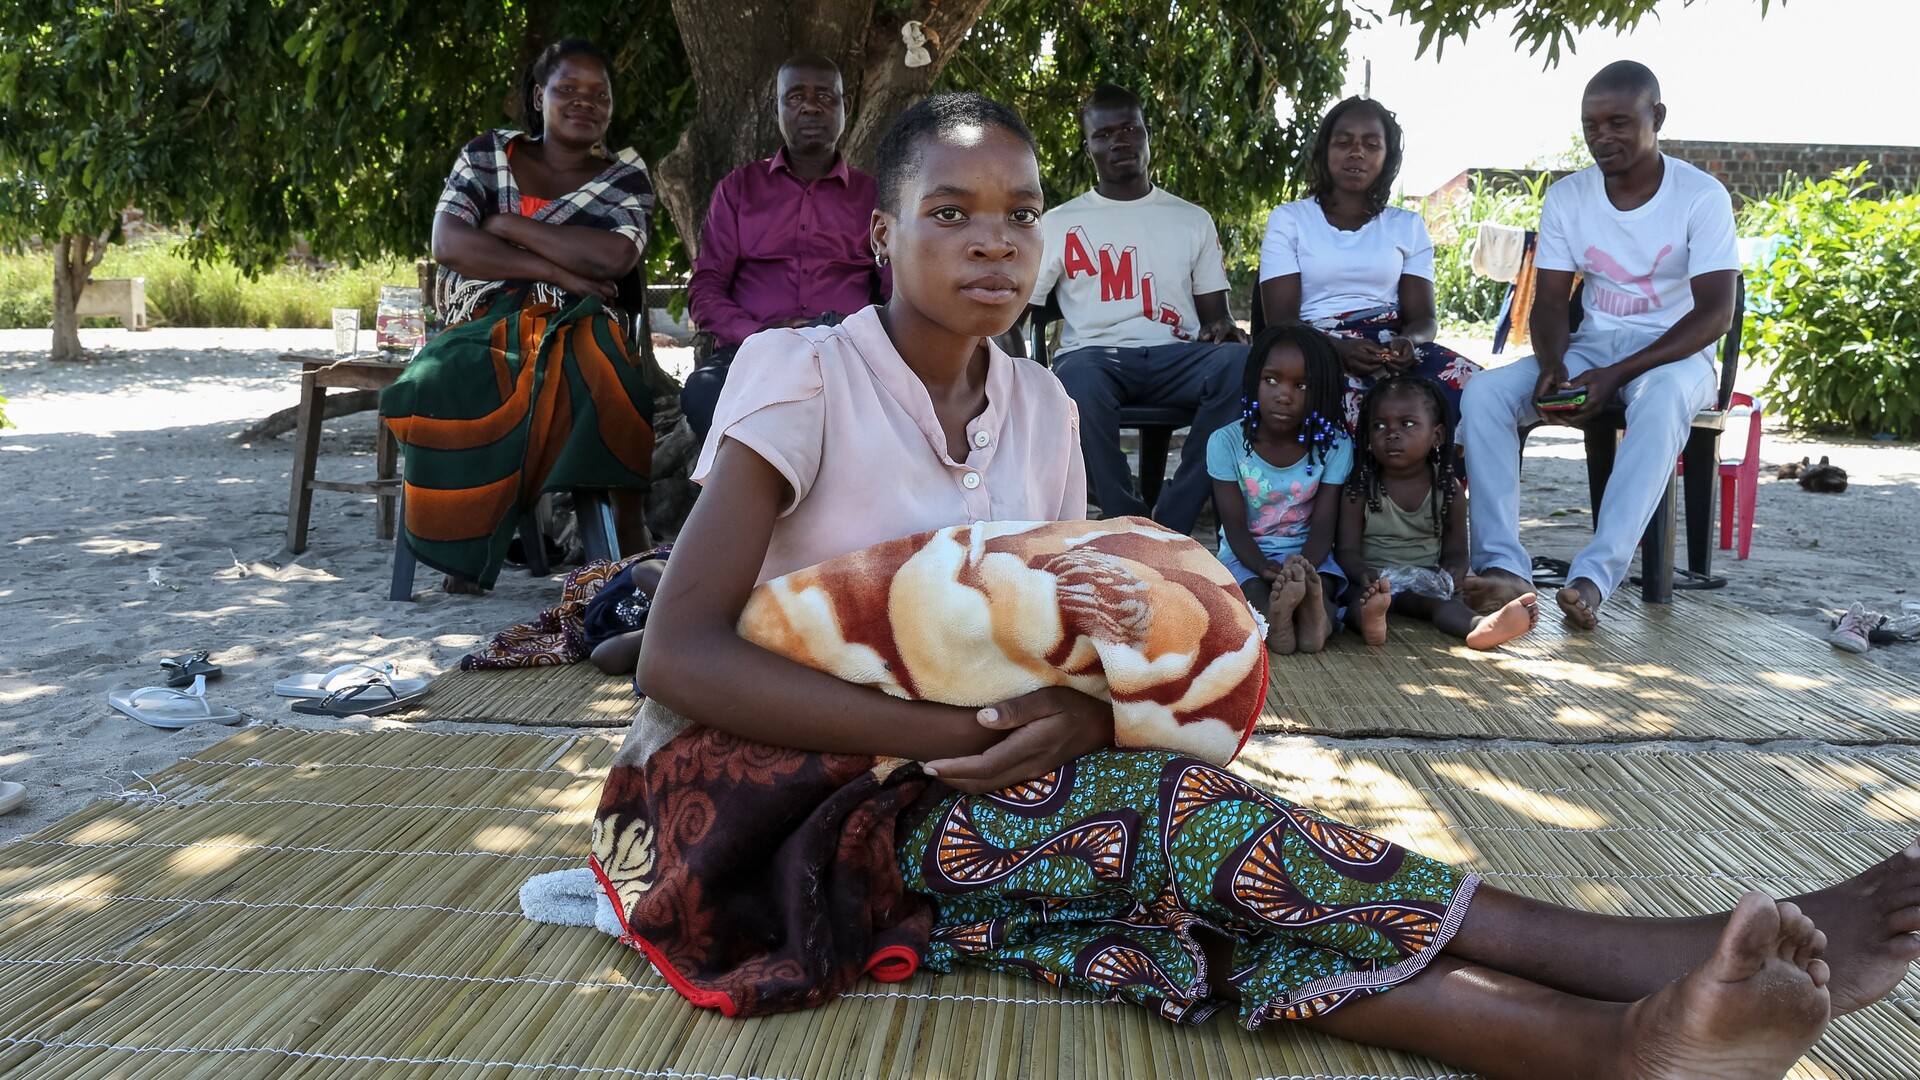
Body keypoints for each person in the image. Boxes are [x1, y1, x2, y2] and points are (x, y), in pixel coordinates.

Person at [619, 91, 1920, 1080]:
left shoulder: (1044, 409)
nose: (994, 244)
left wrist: (1079, 713)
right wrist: (955, 736)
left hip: (976, 785)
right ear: (882, 231)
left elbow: (1063, 637)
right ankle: (1646, 959)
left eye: (1020, 215)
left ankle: (1625, 1044)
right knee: (1182, 822)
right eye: (950, 214)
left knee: (1192, 899)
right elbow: (679, 655)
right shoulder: (801, 372)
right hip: (782, 812)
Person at [1459, 61, 1742, 630]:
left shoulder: (1700, 196)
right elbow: (1549, 301)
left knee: (1661, 401)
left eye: (1618, 122)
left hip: (1675, 355)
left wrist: (1617, 374)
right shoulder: (1569, 197)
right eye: (1591, 125)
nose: (1602, 136)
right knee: (1485, 393)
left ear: (1657, 117)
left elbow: (1716, 313)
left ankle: (1593, 577)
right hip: (1590, 346)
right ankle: (1504, 566)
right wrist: (1553, 364)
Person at [382, 39, 656, 595]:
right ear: (538, 96)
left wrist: (507, 227)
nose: (584, 102)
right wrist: (559, 269)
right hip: (482, 316)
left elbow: (614, 257)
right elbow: (449, 243)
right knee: (441, 377)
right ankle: (469, 540)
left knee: (600, 372)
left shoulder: (624, 177)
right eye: (567, 89)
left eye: (599, 94)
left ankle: (626, 526)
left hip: (582, 317)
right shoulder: (486, 156)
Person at [1030, 84, 1249, 536]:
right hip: (1094, 357)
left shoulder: (1191, 219)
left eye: (1130, 129)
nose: (1119, 141)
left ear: (1149, 135)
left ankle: (1173, 520)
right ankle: (1125, 521)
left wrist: (1224, 328)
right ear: (1089, 148)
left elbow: (1216, 316)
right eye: (1103, 134)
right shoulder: (1060, 222)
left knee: (1240, 363)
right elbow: (1022, 308)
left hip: (1176, 358)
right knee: (1075, 378)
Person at [679, 53, 889, 441]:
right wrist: (758, 334)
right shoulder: (738, 189)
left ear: (845, 106)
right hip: (752, 352)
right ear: (775, 108)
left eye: (824, 96)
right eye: (795, 97)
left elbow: (899, 289)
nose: (810, 107)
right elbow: (706, 289)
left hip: (850, 351)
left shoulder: (875, 198)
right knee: (705, 394)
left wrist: (862, 336)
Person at [1258, 97, 1480, 431]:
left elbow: (1424, 318)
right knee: (1353, 405)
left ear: (1387, 156)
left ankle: (1448, 469)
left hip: (1388, 348)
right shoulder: (1290, 220)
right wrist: (1339, 349)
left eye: (1371, 144)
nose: (1357, 152)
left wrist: (1408, 343)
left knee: (1479, 391)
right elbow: (1280, 320)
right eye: (1343, 142)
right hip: (1311, 344)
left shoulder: (1407, 226)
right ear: (1324, 150)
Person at [1337, 375, 1539, 649]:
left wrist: (1454, 571)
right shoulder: (1360, 487)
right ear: (1368, 438)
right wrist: (1364, 574)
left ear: (1437, 436)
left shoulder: (1447, 489)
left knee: (1443, 604)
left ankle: (1479, 626)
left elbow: (1456, 551)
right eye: (1379, 425)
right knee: (1354, 601)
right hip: (1370, 582)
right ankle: (1370, 621)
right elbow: (1346, 551)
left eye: (1407, 424)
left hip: (1422, 583)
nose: (1392, 433)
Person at [1206, 324, 1353, 656]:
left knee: (1323, 586)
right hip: (1246, 556)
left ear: (1322, 390)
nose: (1283, 395)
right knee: (1252, 593)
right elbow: (1234, 526)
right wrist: (1262, 567)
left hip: (1310, 556)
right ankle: (1280, 623)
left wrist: (1303, 567)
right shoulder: (1225, 443)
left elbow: (1323, 526)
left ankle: (1316, 620)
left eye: (1302, 385)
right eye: (1271, 380)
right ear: (1253, 380)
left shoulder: (1334, 445)